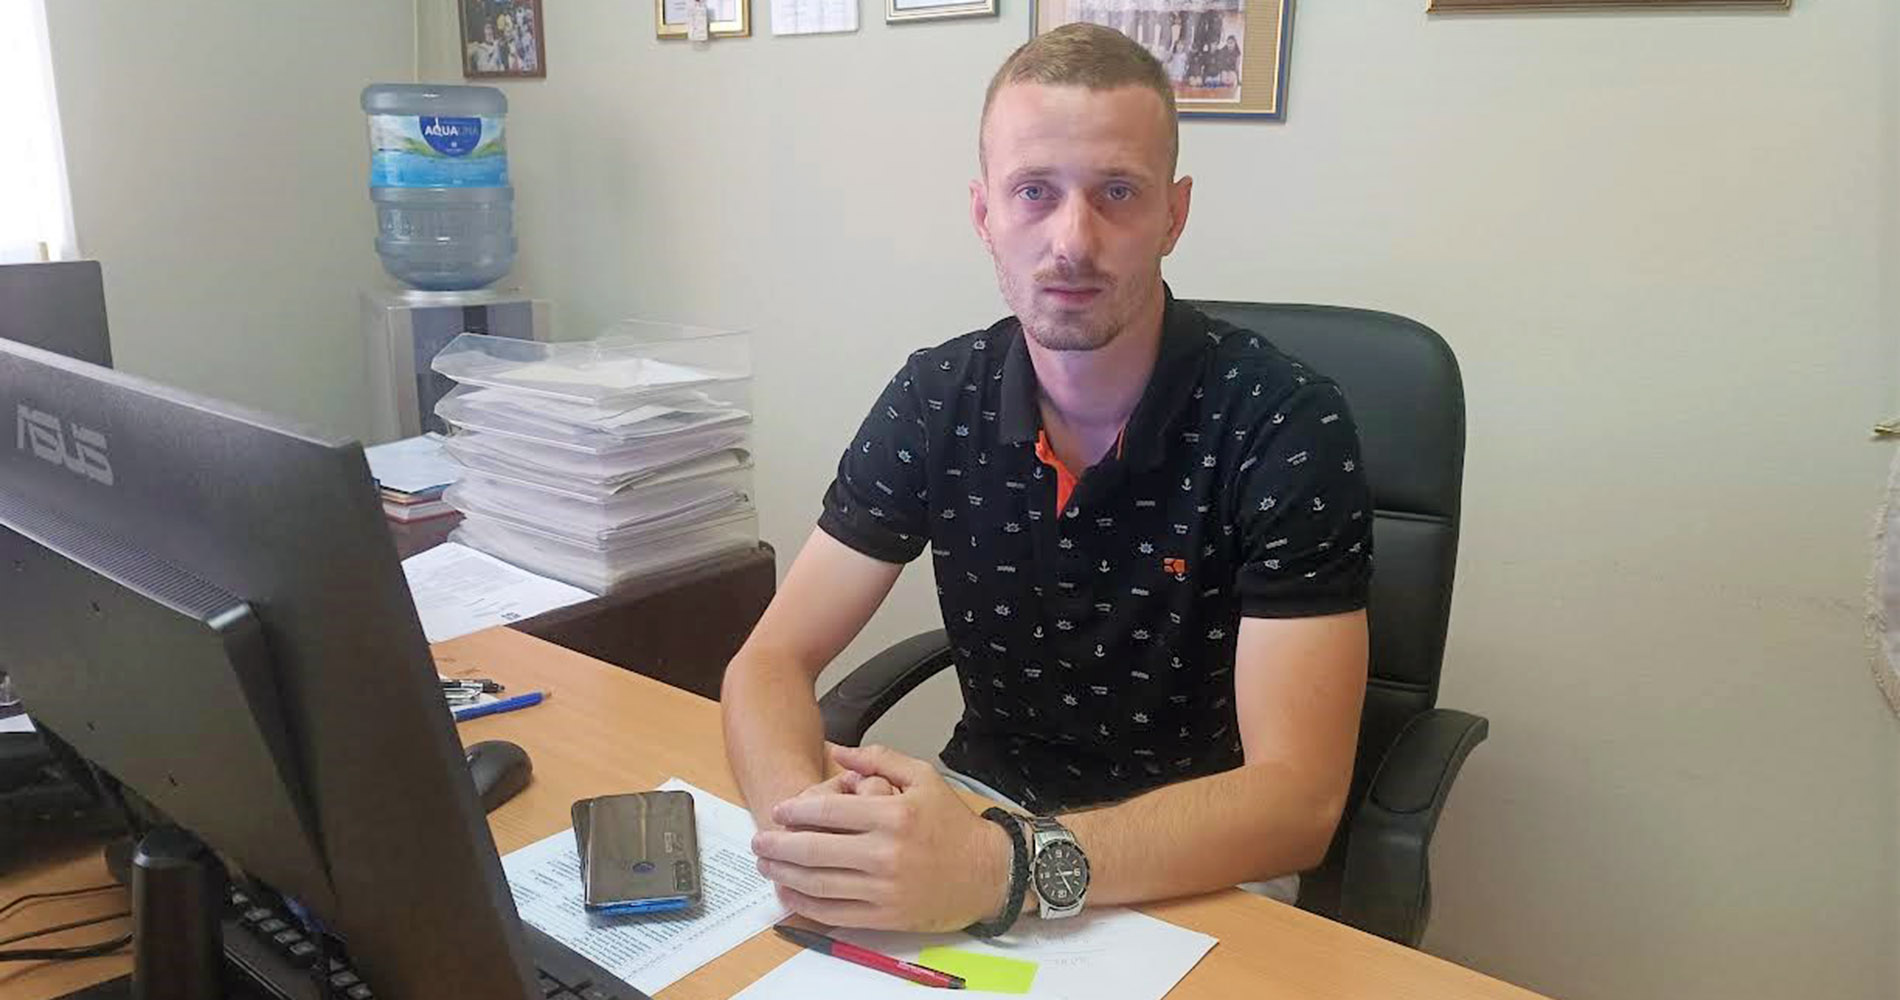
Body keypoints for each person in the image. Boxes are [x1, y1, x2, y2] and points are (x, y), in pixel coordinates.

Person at [721, 23, 1372, 935]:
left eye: (1118, 192)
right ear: (984, 213)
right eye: (1034, 192)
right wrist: (806, 829)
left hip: (1199, 866)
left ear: (1174, 214)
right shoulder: (937, 397)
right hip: (981, 817)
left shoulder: (1282, 424)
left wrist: (1008, 868)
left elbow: (1298, 802)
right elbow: (768, 664)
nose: (1072, 240)